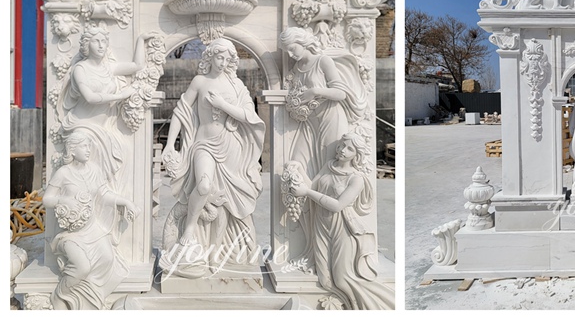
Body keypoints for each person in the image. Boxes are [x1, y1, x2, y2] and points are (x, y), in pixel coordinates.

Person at [161, 38, 265, 272]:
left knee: (226, 202)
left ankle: (219, 251)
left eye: (227, 58)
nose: (223, 62)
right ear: (210, 57)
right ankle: (189, 228)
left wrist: (223, 105)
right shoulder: (200, 81)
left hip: (232, 148)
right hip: (204, 144)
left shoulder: (237, 85)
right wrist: (170, 144)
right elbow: (181, 111)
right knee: (204, 186)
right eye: (219, 57)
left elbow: (250, 116)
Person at [287, 132, 394, 310]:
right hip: (321, 224)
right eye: (342, 145)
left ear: (357, 155)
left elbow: (337, 205)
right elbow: (312, 186)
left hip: (343, 227)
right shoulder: (329, 166)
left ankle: (370, 305)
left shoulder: (356, 179)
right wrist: (298, 168)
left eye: (349, 148)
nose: (343, 150)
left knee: (342, 279)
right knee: (325, 280)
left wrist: (306, 193)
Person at [43, 130, 139, 310]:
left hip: (92, 229)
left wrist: (126, 202)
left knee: (108, 259)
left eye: (88, 146)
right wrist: (63, 200)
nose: (88, 150)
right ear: (72, 150)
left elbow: (104, 194)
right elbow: (46, 199)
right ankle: (60, 296)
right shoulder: (64, 173)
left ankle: (90, 301)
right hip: (71, 234)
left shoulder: (94, 170)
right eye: (84, 146)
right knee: (82, 267)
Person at [58, 24, 149, 191]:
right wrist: (120, 95)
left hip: (104, 129)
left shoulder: (109, 68)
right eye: (96, 41)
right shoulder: (80, 69)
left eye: (104, 41)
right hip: (83, 126)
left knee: (122, 157)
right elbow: (90, 97)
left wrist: (141, 40)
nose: (101, 45)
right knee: (88, 176)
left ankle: (110, 207)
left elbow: (137, 65)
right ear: (87, 45)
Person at [280, 27, 366, 179]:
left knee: (329, 162)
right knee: (298, 160)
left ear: (303, 42)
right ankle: (308, 197)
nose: (290, 55)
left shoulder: (322, 61)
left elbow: (341, 93)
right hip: (309, 122)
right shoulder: (297, 68)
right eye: (287, 51)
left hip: (331, 117)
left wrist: (315, 92)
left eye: (292, 49)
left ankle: (327, 200)